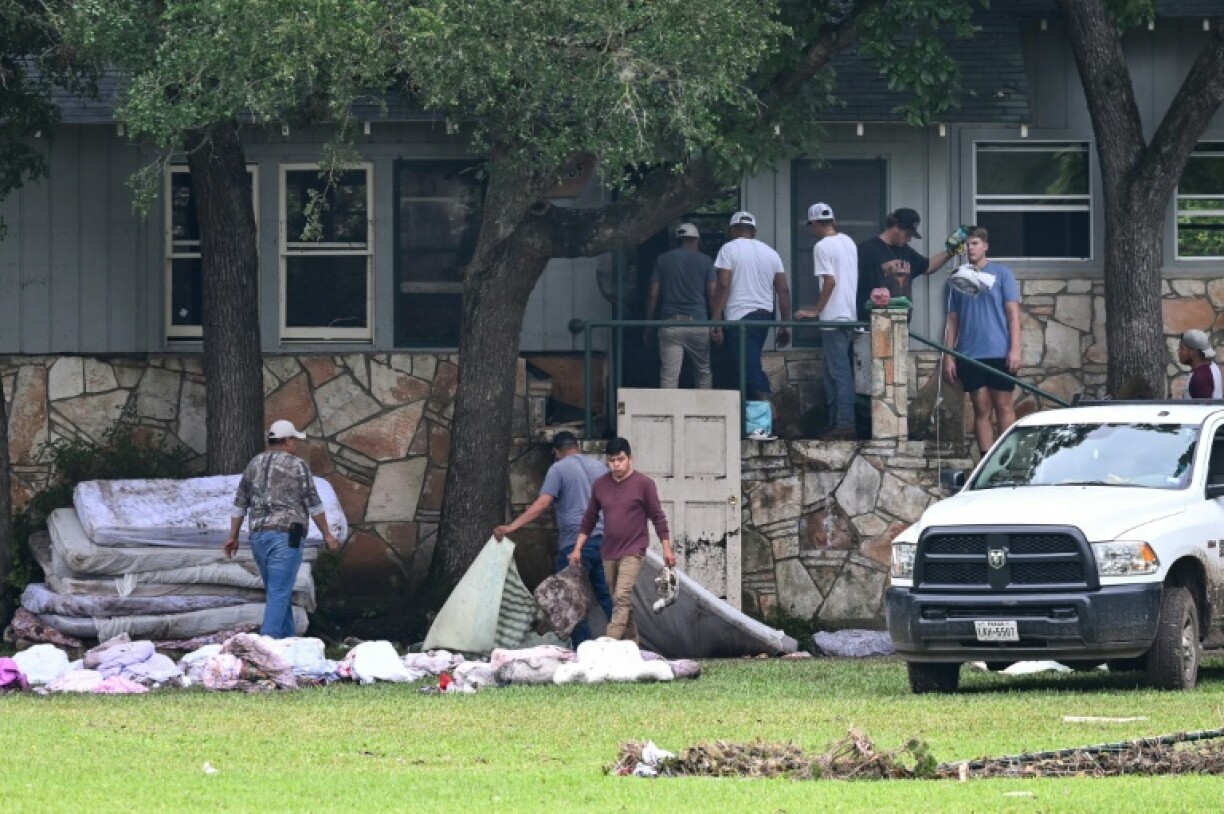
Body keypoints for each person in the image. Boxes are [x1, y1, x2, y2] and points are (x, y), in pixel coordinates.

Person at [493, 431, 614, 646]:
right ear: (578, 447)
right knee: (606, 596)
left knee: (569, 598)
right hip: (603, 541)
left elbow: (542, 504)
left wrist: (511, 526)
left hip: (574, 545)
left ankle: (583, 648)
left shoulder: (558, 469)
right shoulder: (600, 468)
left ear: (556, 452)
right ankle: (626, 642)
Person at [226, 419, 340, 639]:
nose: (295, 445)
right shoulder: (297, 466)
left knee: (279, 592)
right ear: (288, 441)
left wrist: (233, 536)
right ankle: (265, 648)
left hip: (258, 537)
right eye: (294, 440)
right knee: (279, 593)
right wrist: (327, 534)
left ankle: (289, 643)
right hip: (286, 537)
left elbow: (240, 503)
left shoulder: (254, 464)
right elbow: (313, 503)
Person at [570, 437, 676, 643]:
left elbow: (658, 517)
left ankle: (609, 644)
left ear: (630, 459)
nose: (616, 464)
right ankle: (632, 645)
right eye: (612, 461)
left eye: (620, 459)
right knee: (619, 600)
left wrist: (667, 549)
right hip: (609, 551)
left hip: (634, 549)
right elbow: (589, 518)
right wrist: (577, 548)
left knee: (622, 595)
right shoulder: (601, 485)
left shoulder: (644, 484)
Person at [941, 227, 1021, 454]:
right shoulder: (957, 278)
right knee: (981, 408)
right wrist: (949, 355)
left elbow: (1013, 314)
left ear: (985, 246)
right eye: (967, 244)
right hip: (969, 353)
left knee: (1004, 406)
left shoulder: (1002, 274)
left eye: (975, 243)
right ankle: (987, 461)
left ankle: (1007, 459)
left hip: (999, 351)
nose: (970, 248)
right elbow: (952, 320)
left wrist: (1014, 350)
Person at [711, 211, 793, 421]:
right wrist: (785, 325)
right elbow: (783, 290)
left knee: (749, 369)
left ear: (732, 230)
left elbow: (723, 284)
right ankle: (755, 426)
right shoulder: (771, 253)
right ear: (754, 231)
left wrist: (715, 320)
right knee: (746, 366)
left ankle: (768, 413)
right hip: (764, 317)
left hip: (740, 319)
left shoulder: (729, 249)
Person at [794, 203, 859, 440]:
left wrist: (815, 310)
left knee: (839, 372)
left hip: (833, 316)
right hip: (848, 315)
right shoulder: (848, 242)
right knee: (832, 371)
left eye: (811, 225)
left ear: (815, 223)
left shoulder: (822, 246)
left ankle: (845, 422)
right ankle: (834, 421)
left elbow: (829, 281)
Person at [855, 208, 963, 322]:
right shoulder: (867, 250)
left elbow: (928, 266)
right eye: (907, 234)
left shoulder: (906, 251)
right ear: (896, 226)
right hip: (872, 323)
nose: (909, 239)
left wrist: (951, 251)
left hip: (900, 324)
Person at [644, 222, 717, 389]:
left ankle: (669, 414)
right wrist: (716, 323)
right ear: (697, 240)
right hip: (698, 323)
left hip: (670, 324)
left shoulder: (662, 259)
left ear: (676, 240)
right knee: (703, 371)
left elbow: (652, 295)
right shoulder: (706, 261)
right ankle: (705, 412)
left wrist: (648, 326)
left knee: (669, 376)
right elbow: (713, 295)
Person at [1178, 329, 1222, 399]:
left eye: (1182, 348)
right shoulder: (1212, 366)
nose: (1179, 351)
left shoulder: (1200, 378)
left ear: (1193, 352)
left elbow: (1202, 408)